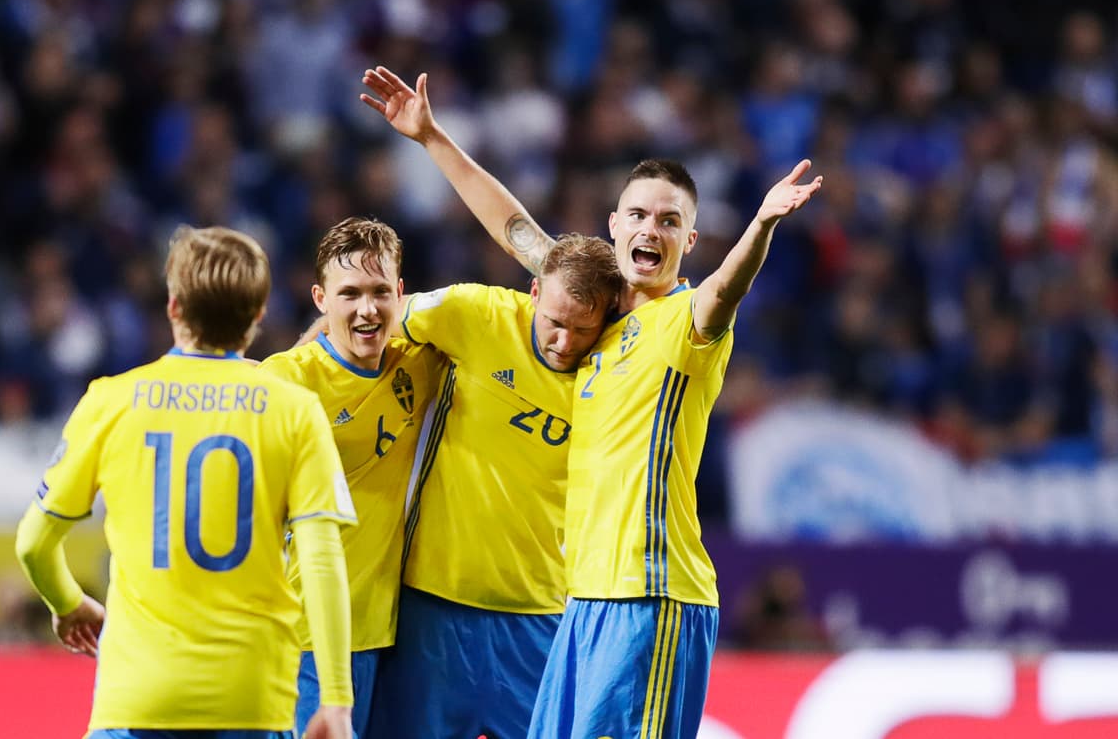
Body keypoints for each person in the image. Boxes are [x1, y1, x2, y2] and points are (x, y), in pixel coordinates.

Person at [360, 65, 822, 738]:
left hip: (653, 592)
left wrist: (761, 226)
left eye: (671, 222)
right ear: (614, 225)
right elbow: (513, 227)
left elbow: (726, 290)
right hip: (583, 599)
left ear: (688, 242)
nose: (652, 229)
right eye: (638, 214)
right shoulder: (596, 320)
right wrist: (431, 138)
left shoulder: (687, 321)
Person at [14, 225, 357, 739]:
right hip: (252, 695)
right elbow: (322, 559)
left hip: (137, 695)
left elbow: (34, 545)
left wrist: (68, 604)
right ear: (258, 316)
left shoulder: (111, 401)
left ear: (173, 307)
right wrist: (335, 701)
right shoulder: (294, 410)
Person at [362, 233, 623, 739]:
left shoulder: (617, 370)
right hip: (433, 608)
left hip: (538, 618)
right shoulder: (474, 314)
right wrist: (289, 372)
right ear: (533, 293)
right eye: (554, 323)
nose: (564, 342)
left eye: (581, 329)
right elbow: (362, 326)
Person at [257, 217, 446, 738]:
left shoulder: (421, 365)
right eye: (350, 294)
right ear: (321, 297)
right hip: (300, 637)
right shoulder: (284, 381)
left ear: (401, 294)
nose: (368, 309)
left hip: (383, 635)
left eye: (381, 292)